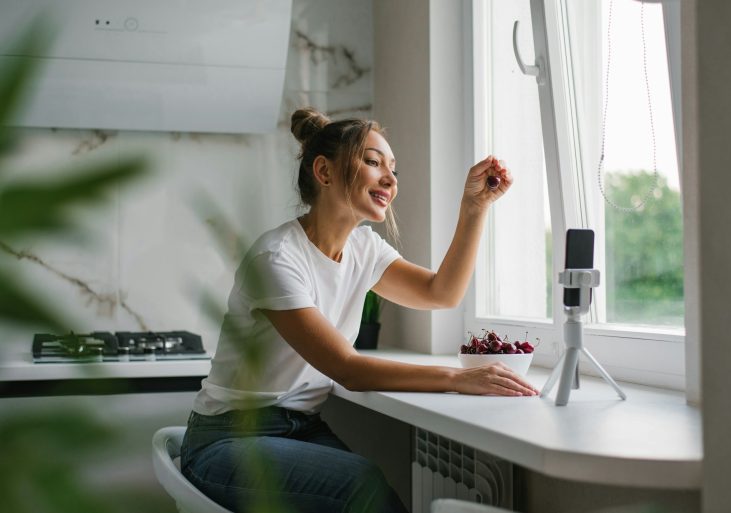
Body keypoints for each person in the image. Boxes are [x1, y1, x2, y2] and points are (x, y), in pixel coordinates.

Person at [180, 107, 539, 513]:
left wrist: (475, 207)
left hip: (301, 429)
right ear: (325, 172)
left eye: (393, 168)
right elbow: (347, 369)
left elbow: (441, 294)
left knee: (368, 484)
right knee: (362, 487)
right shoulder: (276, 258)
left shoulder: (364, 249)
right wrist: (459, 378)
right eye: (373, 162)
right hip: (228, 441)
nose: (390, 179)